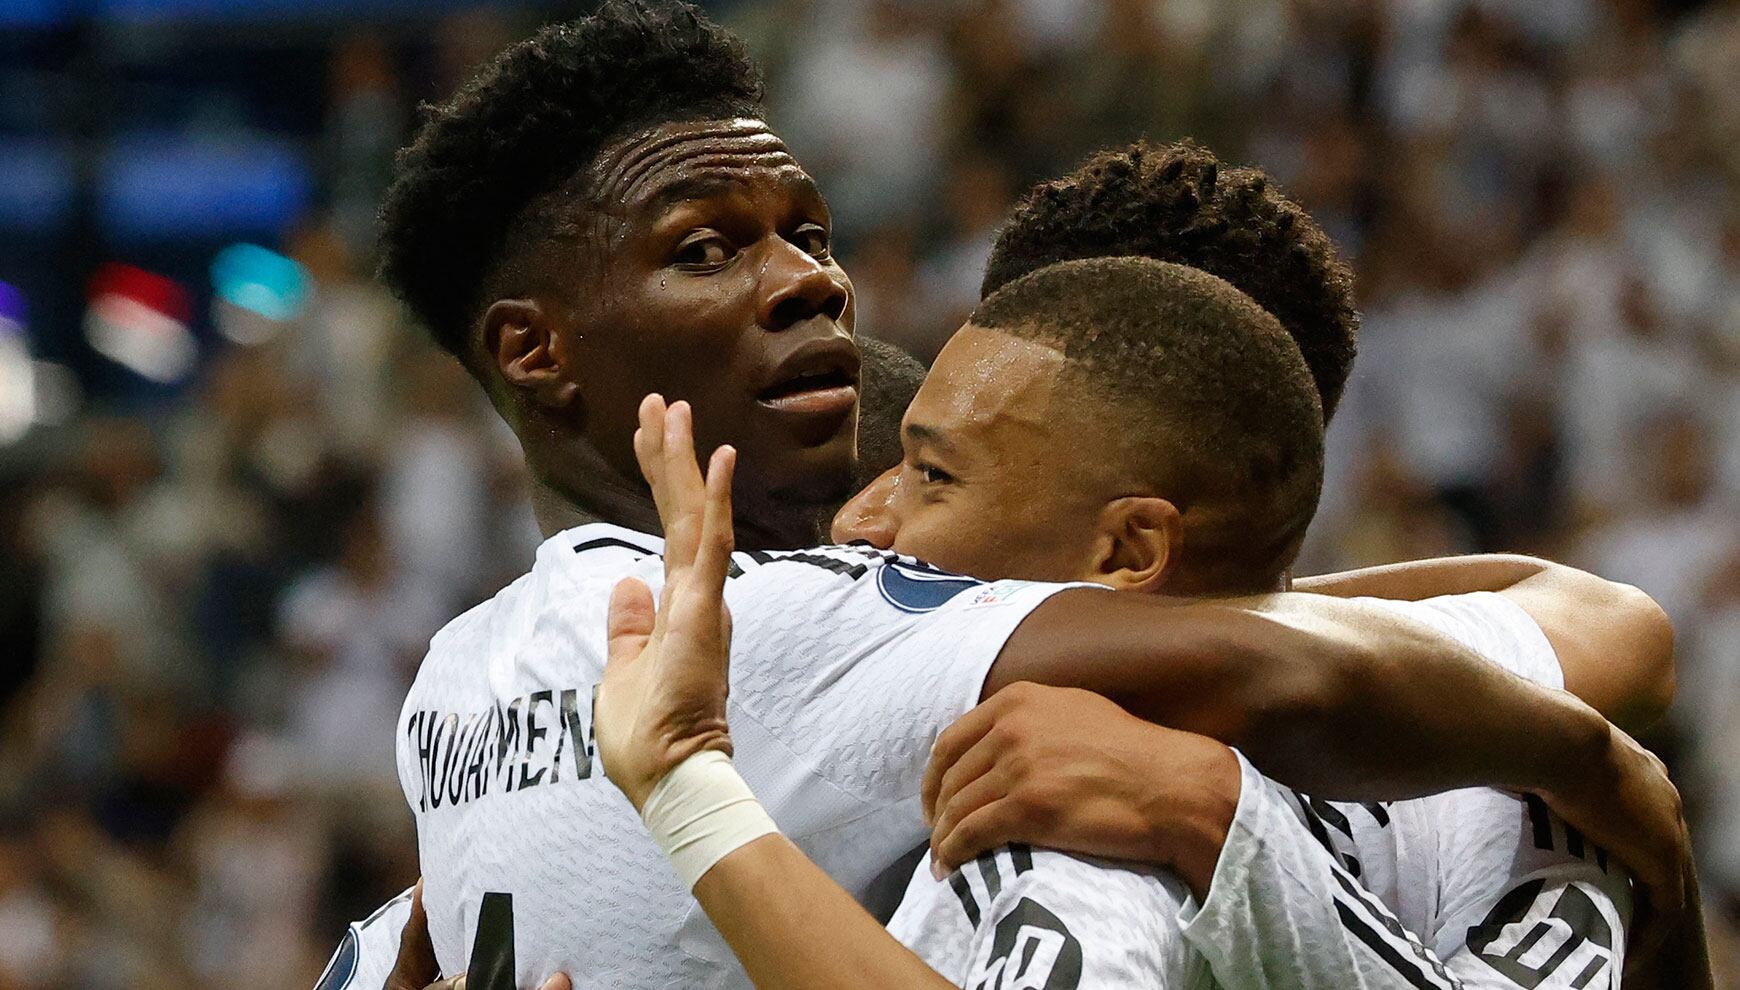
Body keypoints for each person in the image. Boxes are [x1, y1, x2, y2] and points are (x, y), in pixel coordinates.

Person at [328, 5, 1684, 988]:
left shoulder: (452, 690)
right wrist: (1595, 764)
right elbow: (1596, 629)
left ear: (1132, 537)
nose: (816, 279)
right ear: (532, 347)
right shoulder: (820, 653)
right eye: (709, 247)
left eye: (924, 472)